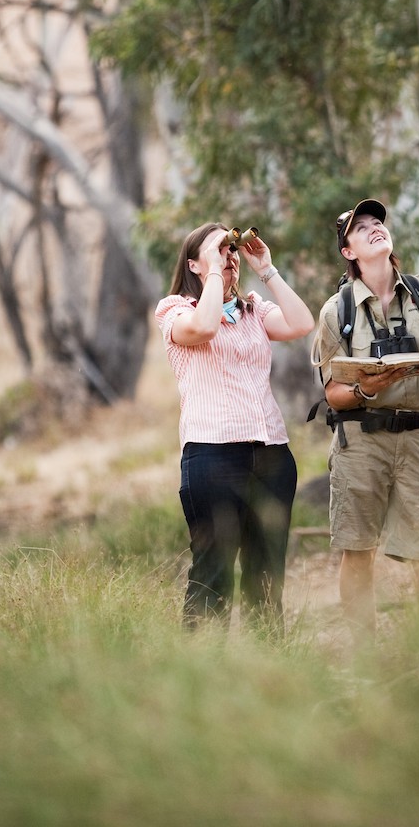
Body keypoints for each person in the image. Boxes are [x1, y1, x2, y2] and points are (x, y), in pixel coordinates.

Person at [312, 199, 419, 642]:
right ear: (349, 252)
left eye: (378, 222)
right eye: (361, 228)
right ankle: (365, 652)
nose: (374, 229)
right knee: (358, 548)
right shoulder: (335, 311)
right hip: (360, 442)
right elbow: (333, 393)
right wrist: (368, 388)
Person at [155, 222, 315, 631]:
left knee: (266, 578)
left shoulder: (252, 310)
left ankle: (267, 674)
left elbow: (302, 324)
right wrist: (212, 272)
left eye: (231, 250)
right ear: (193, 263)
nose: (229, 257)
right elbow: (204, 329)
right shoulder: (175, 311)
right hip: (212, 455)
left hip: (272, 455)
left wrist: (266, 268)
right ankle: (203, 676)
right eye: (220, 250)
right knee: (214, 577)